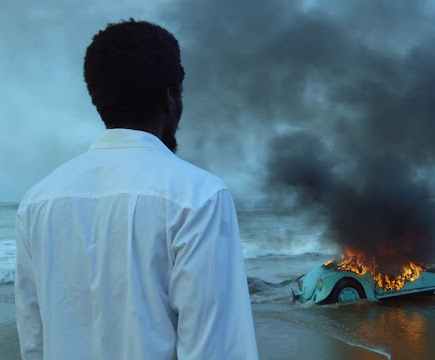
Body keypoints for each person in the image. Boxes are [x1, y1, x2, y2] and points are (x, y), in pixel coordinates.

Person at [15, 19, 258, 360]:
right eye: (181, 93)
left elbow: (34, 343)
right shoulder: (198, 196)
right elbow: (216, 349)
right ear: (170, 98)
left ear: (98, 97)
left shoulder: (37, 202)